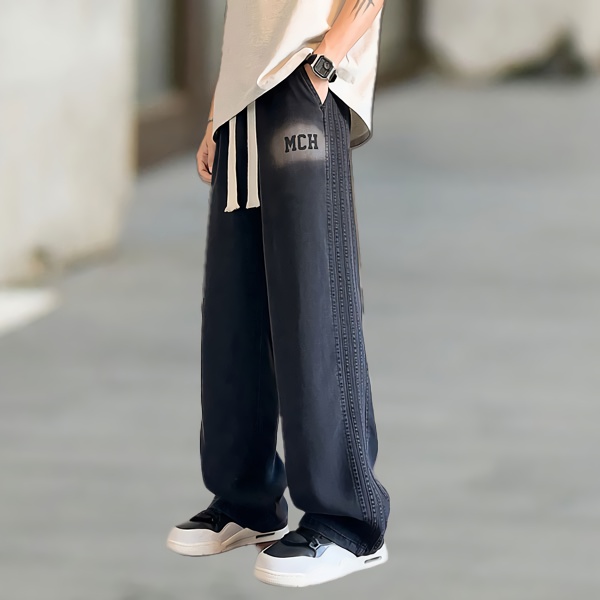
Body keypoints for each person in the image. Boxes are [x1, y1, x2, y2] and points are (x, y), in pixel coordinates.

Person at [166, 0, 390, 587]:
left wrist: (323, 66)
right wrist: (218, 111)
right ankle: (246, 500)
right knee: (234, 310)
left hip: (301, 84)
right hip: (243, 104)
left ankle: (348, 522)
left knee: (313, 300)